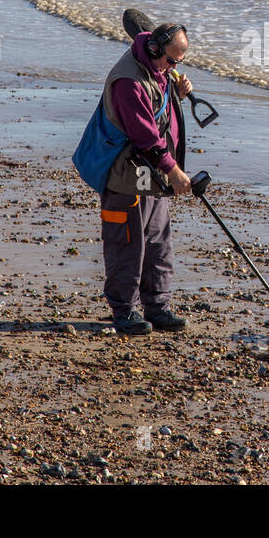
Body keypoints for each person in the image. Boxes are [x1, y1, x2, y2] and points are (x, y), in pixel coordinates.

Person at [97, 22, 195, 334]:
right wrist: (175, 172)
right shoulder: (128, 82)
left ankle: (157, 307)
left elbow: (160, 105)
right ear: (154, 49)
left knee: (157, 241)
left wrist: (174, 88)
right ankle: (124, 311)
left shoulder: (156, 68)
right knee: (127, 243)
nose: (174, 67)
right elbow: (146, 139)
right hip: (128, 175)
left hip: (151, 173)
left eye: (179, 63)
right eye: (171, 61)